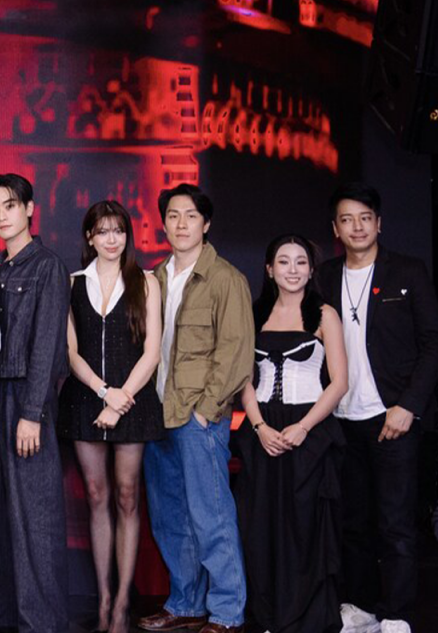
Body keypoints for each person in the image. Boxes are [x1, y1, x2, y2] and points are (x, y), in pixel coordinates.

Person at [316, 182, 438, 633]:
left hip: (393, 418)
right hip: (341, 420)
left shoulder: (407, 271)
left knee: (396, 523)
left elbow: (434, 343)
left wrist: (408, 405)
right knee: (352, 523)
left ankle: (397, 613)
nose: (357, 227)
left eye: (365, 218)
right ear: (336, 229)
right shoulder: (324, 276)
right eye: (347, 219)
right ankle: (360, 606)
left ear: (379, 223)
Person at [138, 183, 252, 633]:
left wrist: (206, 410)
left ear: (206, 224)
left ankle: (226, 611)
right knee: (170, 517)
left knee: (211, 516)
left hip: (197, 416)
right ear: (163, 224)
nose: (181, 224)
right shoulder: (155, 278)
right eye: (172, 215)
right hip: (157, 413)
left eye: (190, 216)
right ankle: (185, 603)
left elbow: (236, 352)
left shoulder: (225, 278)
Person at [57, 200, 164, 633]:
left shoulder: (146, 282)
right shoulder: (72, 283)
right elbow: (70, 352)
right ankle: (103, 599)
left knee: (127, 496)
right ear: (90, 237)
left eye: (118, 230)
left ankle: (122, 604)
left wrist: (120, 400)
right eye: (102, 231)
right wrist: (104, 393)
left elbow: (153, 351)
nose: (111, 239)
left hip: (132, 401)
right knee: (96, 496)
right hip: (86, 400)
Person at [0, 173, 70, 633]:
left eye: (9, 206)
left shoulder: (47, 267)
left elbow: (48, 345)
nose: (1, 217)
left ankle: (41, 622)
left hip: (28, 398)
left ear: (29, 209)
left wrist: (32, 413)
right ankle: (1, 615)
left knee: (35, 514)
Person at [237, 234, 348, 633]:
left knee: (304, 524)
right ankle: (267, 613)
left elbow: (339, 382)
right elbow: (243, 379)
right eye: (284, 262)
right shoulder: (253, 314)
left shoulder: (324, 314)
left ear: (311, 269)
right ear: (269, 269)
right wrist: (259, 426)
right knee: (261, 523)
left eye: (301, 262)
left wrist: (303, 427)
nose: (293, 270)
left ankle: (305, 615)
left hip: (309, 428)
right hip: (262, 429)